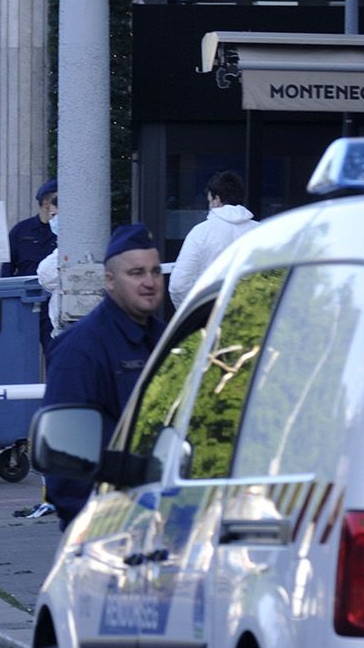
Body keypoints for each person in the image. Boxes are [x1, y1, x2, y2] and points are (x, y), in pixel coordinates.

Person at [41, 223, 165, 528]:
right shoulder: (81, 349)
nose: (149, 282)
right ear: (109, 281)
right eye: (136, 273)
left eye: (155, 271)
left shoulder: (168, 339)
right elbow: (65, 457)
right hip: (112, 525)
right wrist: (93, 527)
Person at [168, 170, 258, 308]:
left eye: (209, 200)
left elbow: (178, 286)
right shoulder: (261, 231)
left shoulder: (201, 232)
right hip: (253, 317)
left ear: (216, 199)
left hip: (210, 317)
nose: (209, 205)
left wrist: (194, 315)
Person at [4, 179, 57, 279]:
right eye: (57, 202)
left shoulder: (64, 232)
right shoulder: (21, 230)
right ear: (46, 204)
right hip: (24, 290)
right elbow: (7, 266)